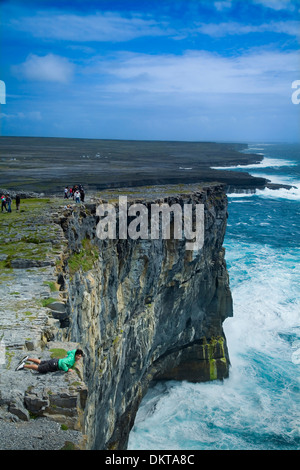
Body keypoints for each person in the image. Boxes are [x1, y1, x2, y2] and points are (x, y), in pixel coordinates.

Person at [15, 349, 84, 373]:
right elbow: (63, 363)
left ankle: (27, 358)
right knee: (39, 368)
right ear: (76, 355)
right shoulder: (71, 360)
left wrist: (75, 359)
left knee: (41, 362)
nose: (79, 358)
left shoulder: (73, 353)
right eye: (78, 356)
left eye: (80, 357)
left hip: (55, 360)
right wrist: (67, 369)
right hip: (55, 365)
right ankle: (23, 365)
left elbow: (69, 352)